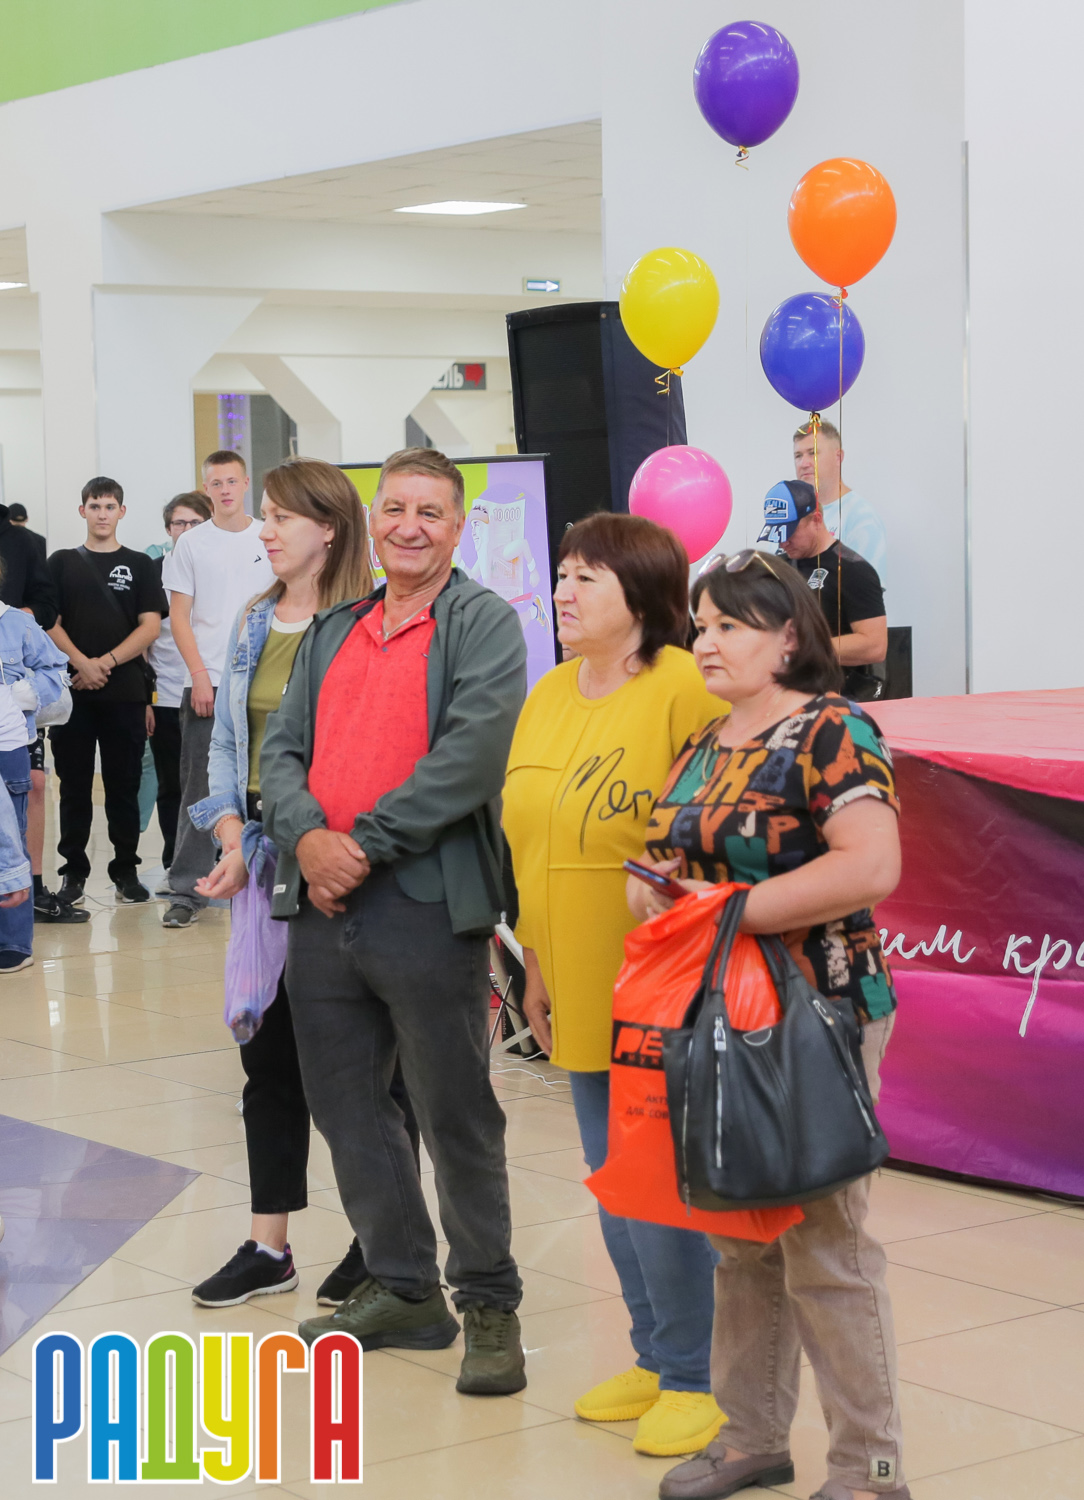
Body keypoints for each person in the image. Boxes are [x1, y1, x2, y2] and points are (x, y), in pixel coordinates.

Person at [629, 549, 906, 1500]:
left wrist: (727, 912)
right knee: (739, 1241)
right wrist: (655, 893)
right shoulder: (703, 743)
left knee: (825, 1247)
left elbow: (870, 866)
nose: (705, 641)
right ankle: (750, 1438)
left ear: (789, 637)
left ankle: (870, 1470)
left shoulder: (834, 729)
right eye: (700, 625)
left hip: (819, 1013)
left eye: (729, 626)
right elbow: (655, 864)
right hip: (713, 1015)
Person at [261, 446, 527, 1396]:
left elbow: (470, 759)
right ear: (373, 522)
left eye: (431, 511)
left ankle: (489, 1303)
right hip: (321, 909)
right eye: (396, 508)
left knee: (454, 1111)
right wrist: (307, 840)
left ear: (458, 527)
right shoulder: (334, 629)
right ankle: (406, 1286)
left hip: (425, 906)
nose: (410, 526)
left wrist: (359, 846)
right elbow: (281, 750)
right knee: (345, 1106)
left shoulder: (484, 625)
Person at [501, 513, 723, 1457]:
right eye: (561, 573)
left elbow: (714, 837)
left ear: (641, 595)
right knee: (611, 1183)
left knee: (656, 1185)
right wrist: (536, 966)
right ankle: (652, 1353)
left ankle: (695, 1377)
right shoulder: (550, 691)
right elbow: (533, 839)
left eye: (586, 576)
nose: (563, 591)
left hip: (662, 979)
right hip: (570, 970)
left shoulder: (683, 686)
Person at [185, 459, 413, 1307]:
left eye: (281, 517)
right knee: (269, 1061)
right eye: (266, 515)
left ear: (329, 529)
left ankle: (380, 1239)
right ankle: (268, 1244)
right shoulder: (255, 619)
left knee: (366, 1069)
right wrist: (231, 832)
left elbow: (371, 753)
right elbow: (227, 743)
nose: (266, 530)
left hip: (343, 863)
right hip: (261, 866)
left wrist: (312, 843)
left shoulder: (370, 623)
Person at [163, 451, 273, 928]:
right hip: (209, 679)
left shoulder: (267, 535)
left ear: (246, 483)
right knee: (200, 785)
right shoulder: (191, 544)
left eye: (232, 481)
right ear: (206, 488)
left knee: (267, 779)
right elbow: (179, 617)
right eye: (216, 483)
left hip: (264, 678)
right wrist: (199, 675)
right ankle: (186, 890)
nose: (225, 489)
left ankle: (264, 876)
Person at [47, 478, 165, 907]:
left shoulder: (140, 564)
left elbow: (150, 626)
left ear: (122, 511)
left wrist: (105, 663)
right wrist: (82, 662)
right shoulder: (61, 562)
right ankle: (73, 873)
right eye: (94, 506)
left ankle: (126, 871)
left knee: (123, 786)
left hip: (125, 692)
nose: (102, 513)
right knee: (74, 786)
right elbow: (49, 622)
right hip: (73, 693)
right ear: (83, 511)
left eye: (109, 506)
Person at [760, 479, 888, 702]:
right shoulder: (777, 568)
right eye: (777, 533)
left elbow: (875, 646)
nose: (782, 542)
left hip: (841, 699)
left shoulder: (853, 569)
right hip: (789, 696)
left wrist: (802, 649)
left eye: (789, 532)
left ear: (816, 520)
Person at [0, 581, 69, 968]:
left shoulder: (18, 624)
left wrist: (19, 696)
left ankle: (13, 940)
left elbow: (56, 671)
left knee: (11, 836)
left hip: (8, 747)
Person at [147, 492, 212, 875]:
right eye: (179, 523)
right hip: (168, 694)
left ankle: (215, 859)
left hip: (212, 691)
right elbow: (146, 637)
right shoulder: (156, 571)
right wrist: (146, 698)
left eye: (194, 523)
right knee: (171, 784)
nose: (186, 530)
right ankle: (175, 859)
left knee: (211, 781)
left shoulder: (217, 565)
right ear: (168, 529)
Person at [793, 419, 887, 576]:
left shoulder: (861, 518)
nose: (804, 463)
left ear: (838, 457)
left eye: (813, 453)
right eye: (798, 455)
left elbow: (869, 587)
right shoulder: (791, 515)